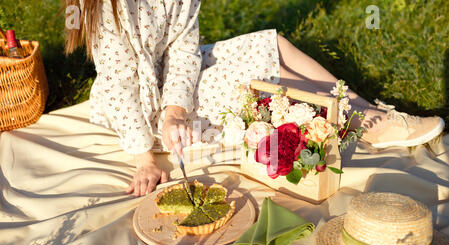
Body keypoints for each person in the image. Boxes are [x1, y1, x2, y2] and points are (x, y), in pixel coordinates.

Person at [63, 0, 445, 197]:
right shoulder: (105, 7)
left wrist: (177, 106)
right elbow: (120, 83)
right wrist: (147, 156)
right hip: (142, 105)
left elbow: (183, 49)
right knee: (255, 82)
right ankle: (357, 123)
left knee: (272, 46)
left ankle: (361, 108)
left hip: (176, 85)